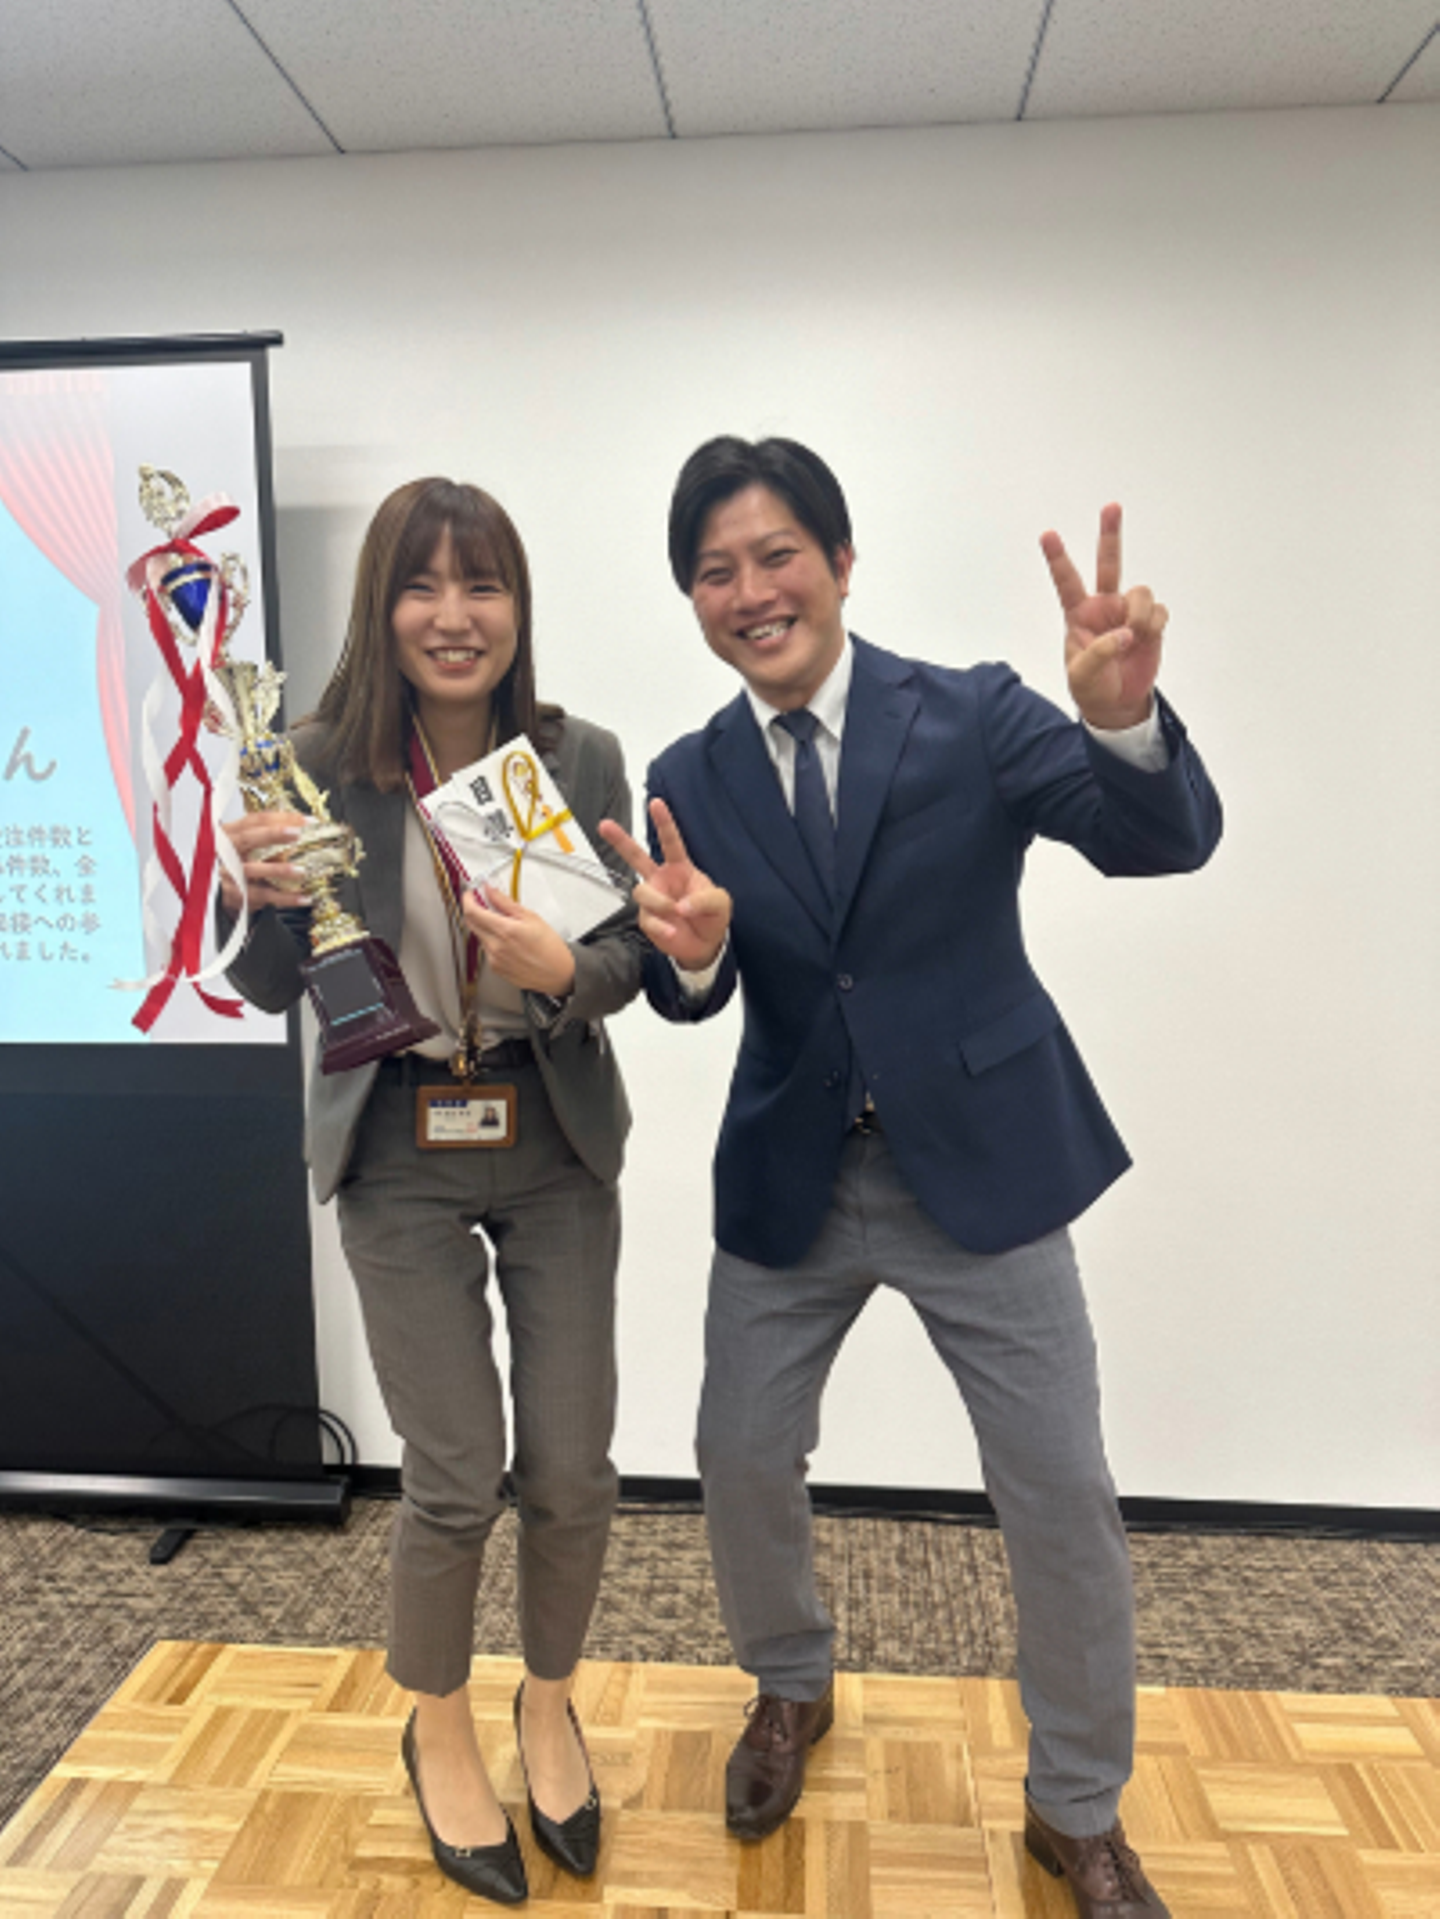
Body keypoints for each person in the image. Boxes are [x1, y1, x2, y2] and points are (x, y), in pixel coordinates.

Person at [599, 436, 1221, 1919]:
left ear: (841, 561)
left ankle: (1077, 1807)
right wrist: (695, 961)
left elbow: (1160, 844)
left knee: (1058, 1488)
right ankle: (789, 1685)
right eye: (715, 571)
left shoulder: (974, 713)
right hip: (795, 1175)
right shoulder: (688, 774)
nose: (752, 592)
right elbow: (692, 981)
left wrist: (1122, 724)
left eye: (777, 556)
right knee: (740, 1453)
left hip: (984, 1170)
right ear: (692, 598)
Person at [221, 477, 643, 1906]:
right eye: (423, 584)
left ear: (517, 606)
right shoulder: (308, 760)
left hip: (552, 1131)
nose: (455, 616)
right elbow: (265, 982)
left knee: (572, 1467)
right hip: (397, 1140)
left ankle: (549, 1702)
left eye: (483, 584)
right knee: (455, 1470)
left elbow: (625, 959)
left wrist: (562, 968)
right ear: (381, 606)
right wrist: (254, 895)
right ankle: (441, 1722)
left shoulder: (575, 758)